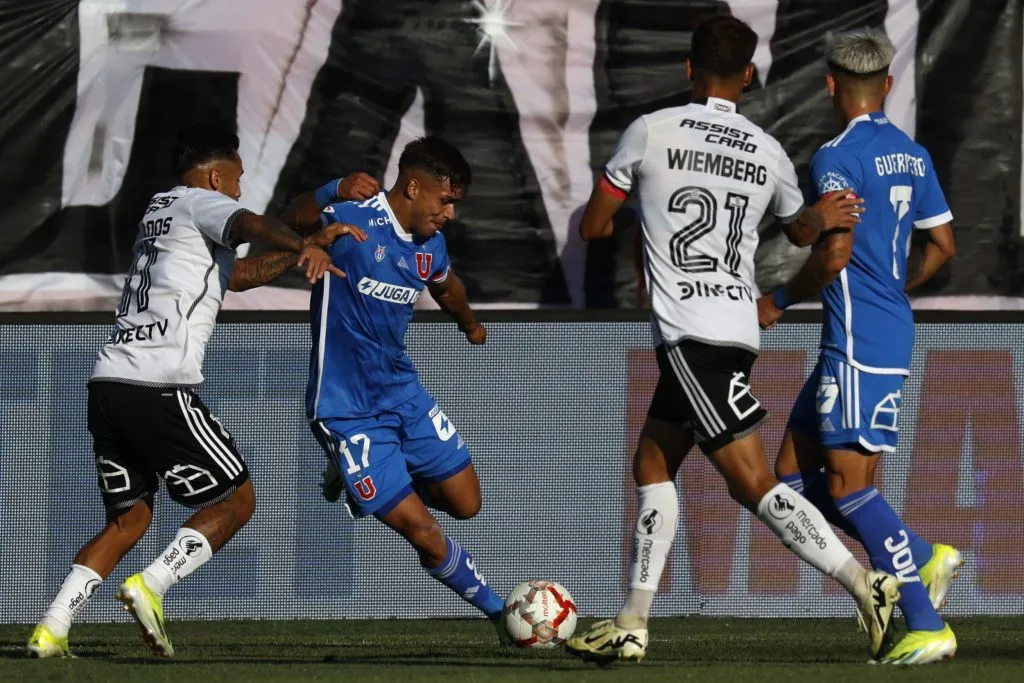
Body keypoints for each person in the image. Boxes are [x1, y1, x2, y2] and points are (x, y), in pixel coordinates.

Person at [565, 15, 900, 664]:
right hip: (737, 327)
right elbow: (800, 233)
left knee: (751, 482)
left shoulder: (650, 130)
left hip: (690, 333)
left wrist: (638, 208)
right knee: (653, 464)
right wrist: (821, 216)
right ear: (749, 76)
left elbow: (593, 227)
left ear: (688, 70)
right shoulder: (767, 149)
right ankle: (632, 620)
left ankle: (867, 582)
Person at [27, 125, 367, 659]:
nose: (237, 190)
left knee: (129, 519)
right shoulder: (202, 201)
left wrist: (308, 248)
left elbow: (237, 277)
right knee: (238, 498)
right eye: (235, 180)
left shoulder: (160, 210)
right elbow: (251, 223)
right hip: (158, 385)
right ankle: (152, 585)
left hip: (109, 384)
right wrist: (304, 242)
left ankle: (50, 628)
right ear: (214, 177)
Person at [759, 29, 959, 665]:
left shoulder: (834, 156)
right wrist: (891, 287)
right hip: (877, 332)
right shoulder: (913, 154)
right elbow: (944, 246)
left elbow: (835, 251)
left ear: (829, 86)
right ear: (889, 87)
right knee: (788, 479)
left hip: (855, 339)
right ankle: (922, 556)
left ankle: (927, 623)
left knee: (849, 489)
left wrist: (779, 301)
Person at [296, 137, 509, 640]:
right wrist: (329, 189)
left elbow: (446, 285)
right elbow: (290, 220)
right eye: (445, 200)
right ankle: (504, 616)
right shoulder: (351, 215)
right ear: (413, 187)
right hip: (345, 407)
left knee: (466, 503)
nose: (450, 213)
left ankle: (358, 479)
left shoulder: (428, 243)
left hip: (402, 393)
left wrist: (470, 324)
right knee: (425, 535)